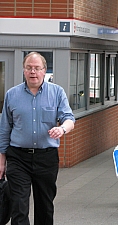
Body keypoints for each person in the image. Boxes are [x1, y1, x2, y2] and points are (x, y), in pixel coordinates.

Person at [0, 51, 75, 224]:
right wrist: (1, 160)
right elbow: (4, 129)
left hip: (46, 157)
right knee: (18, 206)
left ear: (44, 70)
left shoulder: (57, 92)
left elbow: (69, 119)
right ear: (24, 71)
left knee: (45, 207)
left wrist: (62, 129)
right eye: (29, 68)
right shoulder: (12, 95)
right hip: (18, 157)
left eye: (37, 68)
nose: (33, 72)